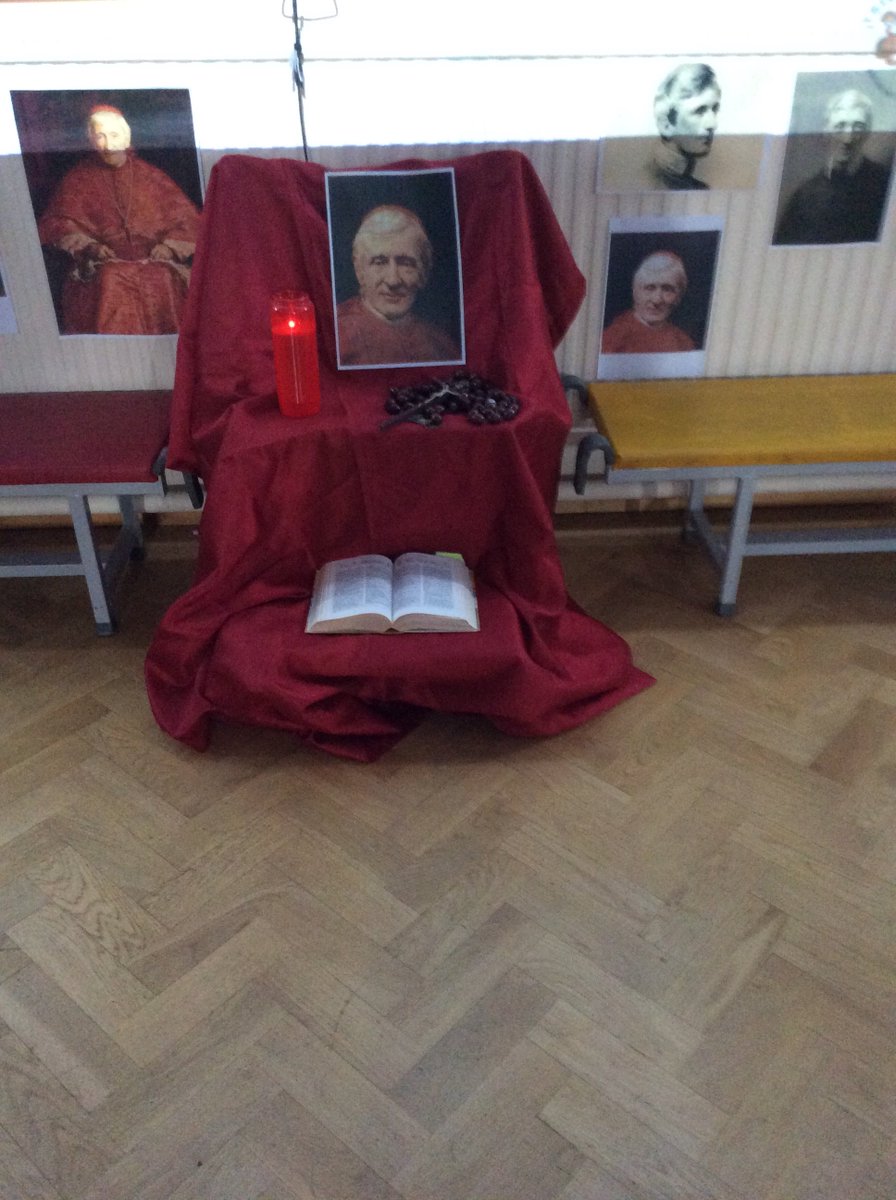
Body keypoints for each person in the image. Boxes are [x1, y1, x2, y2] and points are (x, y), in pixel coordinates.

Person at [38, 104, 201, 334]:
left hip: (155, 263)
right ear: (92, 140)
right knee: (110, 281)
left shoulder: (152, 177)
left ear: (126, 138)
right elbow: (58, 223)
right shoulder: (78, 179)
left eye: (114, 135)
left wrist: (169, 247)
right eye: (100, 136)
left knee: (162, 279)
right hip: (104, 265)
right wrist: (91, 247)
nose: (108, 144)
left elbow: (188, 220)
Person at [335, 205, 461, 367]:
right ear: (360, 270)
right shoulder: (338, 334)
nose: (393, 281)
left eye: (405, 263)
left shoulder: (442, 345)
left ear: (423, 272)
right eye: (379, 262)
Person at [774, 88, 892, 245]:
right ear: (826, 131)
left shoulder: (886, 186)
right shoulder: (805, 198)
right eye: (840, 126)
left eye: (857, 126)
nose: (848, 139)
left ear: (868, 132)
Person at [602, 250, 696, 354]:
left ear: (679, 296)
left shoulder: (684, 343)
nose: (657, 300)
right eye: (650, 288)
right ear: (635, 292)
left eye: (667, 289)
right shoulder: (613, 338)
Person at [650, 63, 721, 190]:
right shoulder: (648, 183)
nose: (713, 124)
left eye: (715, 109)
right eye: (699, 111)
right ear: (666, 123)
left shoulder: (699, 189)